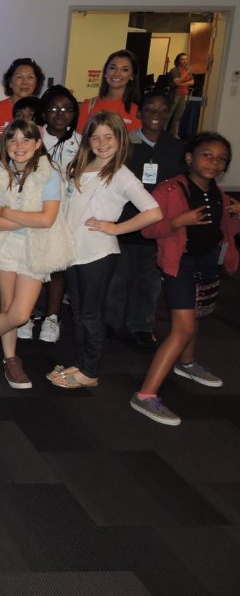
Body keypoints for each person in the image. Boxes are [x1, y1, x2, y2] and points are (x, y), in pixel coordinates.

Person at [0, 120, 74, 389]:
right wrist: (27, 218)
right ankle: (11, 359)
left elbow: (47, 220)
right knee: (7, 309)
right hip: (5, 245)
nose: (19, 145)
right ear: (5, 144)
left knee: (20, 314)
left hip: (36, 247)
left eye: (26, 139)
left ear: (38, 144)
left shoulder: (49, 173)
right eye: (12, 139)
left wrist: (8, 212)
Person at [131, 133, 240, 425]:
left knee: (196, 314)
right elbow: (148, 229)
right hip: (179, 264)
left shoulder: (219, 193)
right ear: (190, 158)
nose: (214, 163)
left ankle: (187, 363)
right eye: (207, 155)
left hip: (207, 262)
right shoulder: (170, 189)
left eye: (221, 159)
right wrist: (180, 221)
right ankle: (145, 394)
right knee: (183, 328)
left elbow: (224, 226)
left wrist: (235, 212)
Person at [49, 111, 162, 389]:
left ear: (120, 139)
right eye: (96, 137)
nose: (102, 143)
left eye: (108, 137)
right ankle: (81, 363)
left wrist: (115, 228)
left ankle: (90, 371)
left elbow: (153, 212)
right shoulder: (80, 166)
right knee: (78, 312)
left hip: (97, 253)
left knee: (90, 314)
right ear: (87, 140)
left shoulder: (121, 174)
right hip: (73, 251)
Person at [106, 91, 186, 350]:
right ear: (139, 113)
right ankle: (110, 323)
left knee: (149, 282)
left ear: (168, 114)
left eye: (162, 110)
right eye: (150, 108)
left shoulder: (177, 148)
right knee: (116, 279)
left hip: (157, 227)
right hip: (124, 222)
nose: (155, 114)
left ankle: (141, 326)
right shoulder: (124, 144)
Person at [34, 85, 82, 343]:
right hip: (34, 212)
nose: (60, 113)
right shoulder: (32, 138)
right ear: (44, 113)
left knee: (57, 267)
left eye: (66, 109)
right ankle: (26, 313)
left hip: (67, 214)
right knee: (30, 265)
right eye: (53, 108)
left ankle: (52, 317)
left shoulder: (83, 143)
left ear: (74, 113)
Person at [77, 49, 142, 131]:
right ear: (105, 72)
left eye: (124, 69)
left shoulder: (138, 110)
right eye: (112, 68)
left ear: (132, 75)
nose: (117, 73)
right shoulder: (88, 105)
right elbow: (81, 137)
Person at [0, 58, 44, 137]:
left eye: (30, 77)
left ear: (37, 82)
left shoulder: (43, 111)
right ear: (10, 82)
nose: (25, 82)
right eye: (19, 77)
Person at [167, 52, 194, 139]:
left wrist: (182, 84)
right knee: (168, 115)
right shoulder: (174, 70)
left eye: (186, 59)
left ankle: (174, 134)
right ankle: (161, 133)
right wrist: (187, 73)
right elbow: (176, 81)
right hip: (175, 95)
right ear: (178, 60)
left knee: (178, 116)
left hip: (184, 94)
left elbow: (192, 82)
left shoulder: (187, 70)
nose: (185, 61)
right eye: (182, 59)